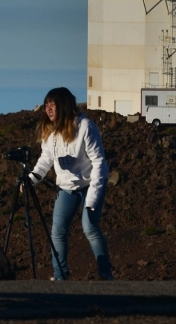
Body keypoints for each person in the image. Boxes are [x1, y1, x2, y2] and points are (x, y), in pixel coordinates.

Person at [26, 87, 112, 281]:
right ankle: (60, 277)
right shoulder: (50, 132)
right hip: (67, 187)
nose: (48, 109)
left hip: (91, 182)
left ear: (63, 105)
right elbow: (45, 159)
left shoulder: (85, 127)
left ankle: (106, 275)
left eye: (52, 104)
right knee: (57, 231)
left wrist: (91, 200)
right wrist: (32, 179)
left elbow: (99, 163)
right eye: (46, 104)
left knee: (89, 227)